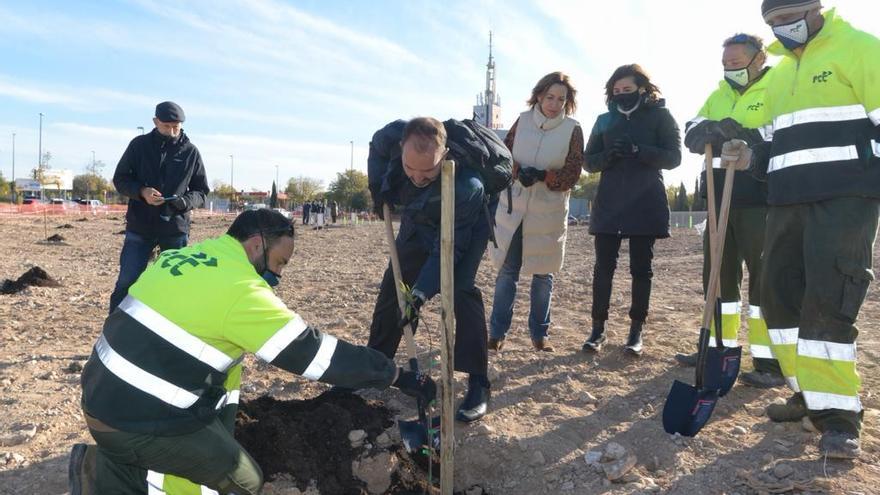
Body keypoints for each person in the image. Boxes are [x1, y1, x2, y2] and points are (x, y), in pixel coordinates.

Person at [68, 209, 436, 494]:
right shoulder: (241, 290)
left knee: (230, 357)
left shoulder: (187, 256)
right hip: (137, 421)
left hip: (99, 395)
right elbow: (315, 353)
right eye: (279, 263)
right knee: (244, 479)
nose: (278, 275)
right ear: (257, 245)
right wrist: (396, 375)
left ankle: (105, 460)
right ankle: (105, 473)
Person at [723, 0, 880, 459]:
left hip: (845, 200)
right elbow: (771, 143)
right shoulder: (779, 74)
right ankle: (807, 394)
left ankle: (838, 418)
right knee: (777, 298)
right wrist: (745, 153)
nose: (781, 28)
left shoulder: (860, 49)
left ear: (816, 9)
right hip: (785, 201)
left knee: (828, 301)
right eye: (772, 23)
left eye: (788, 18)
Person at [675, 34, 785, 389]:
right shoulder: (718, 94)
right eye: (726, 64)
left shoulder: (778, 87)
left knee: (764, 281)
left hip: (761, 200)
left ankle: (769, 360)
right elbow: (691, 127)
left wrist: (749, 137)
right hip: (720, 197)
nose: (730, 70)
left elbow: (784, 137)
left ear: (758, 59)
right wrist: (707, 130)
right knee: (718, 278)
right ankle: (715, 347)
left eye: (736, 64)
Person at [367, 117, 493, 423]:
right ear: (402, 149)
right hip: (419, 219)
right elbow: (376, 151)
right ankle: (373, 366)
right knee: (394, 289)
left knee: (460, 289)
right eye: (410, 169)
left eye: (428, 170)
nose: (418, 177)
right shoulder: (390, 138)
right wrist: (377, 189)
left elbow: (446, 252)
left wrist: (420, 296)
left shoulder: (467, 186)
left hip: (464, 226)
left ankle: (478, 381)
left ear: (446, 154)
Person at [581, 64, 682, 355]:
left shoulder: (660, 116)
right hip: (610, 204)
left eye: (627, 89)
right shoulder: (603, 120)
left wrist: (641, 151)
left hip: (645, 201)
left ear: (642, 88)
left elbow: (674, 157)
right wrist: (607, 157)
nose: (621, 94)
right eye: (616, 90)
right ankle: (597, 330)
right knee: (603, 268)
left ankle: (636, 332)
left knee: (641, 268)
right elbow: (589, 162)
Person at [488, 72, 583, 353]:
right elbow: (502, 157)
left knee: (544, 276)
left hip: (549, 211)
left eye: (561, 99)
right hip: (514, 208)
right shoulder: (523, 121)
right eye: (550, 97)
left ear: (568, 102)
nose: (555, 104)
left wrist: (543, 175)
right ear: (539, 96)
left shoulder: (573, 129)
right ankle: (496, 333)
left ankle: (540, 335)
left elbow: (573, 172)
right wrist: (518, 172)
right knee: (508, 271)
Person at [109, 102, 209, 313]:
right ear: (155, 122)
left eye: (177, 127)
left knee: (175, 285)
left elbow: (201, 191)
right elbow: (120, 179)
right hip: (140, 226)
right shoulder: (138, 146)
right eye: (167, 126)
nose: (172, 132)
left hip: (174, 228)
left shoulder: (191, 152)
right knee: (127, 281)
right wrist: (142, 192)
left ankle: (170, 331)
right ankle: (114, 326)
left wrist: (184, 202)